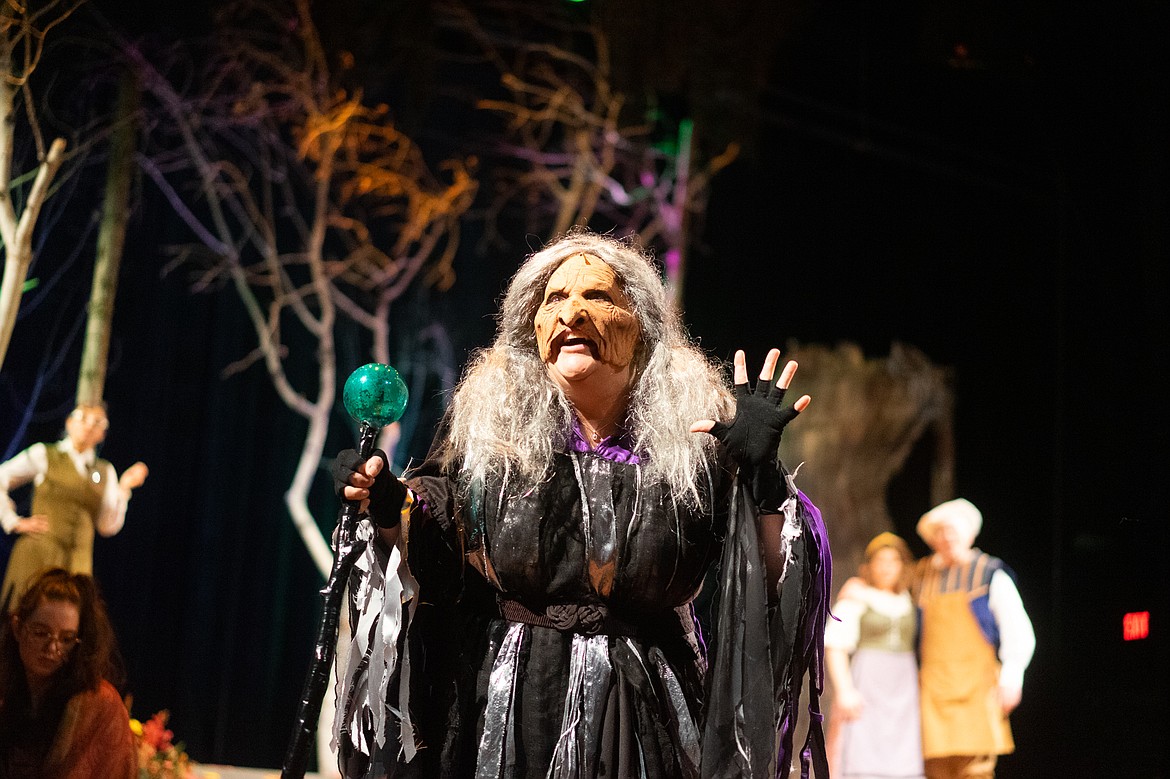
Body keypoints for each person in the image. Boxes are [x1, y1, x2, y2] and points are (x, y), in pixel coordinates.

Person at [331, 230, 833, 778]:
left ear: (640, 326)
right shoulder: (487, 433)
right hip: (506, 708)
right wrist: (383, 499)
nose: (571, 313)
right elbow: (434, 528)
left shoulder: (696, 440)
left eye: (598, 296)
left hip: (646, 711)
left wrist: (761, 478)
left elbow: (770, 578)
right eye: (554, 299)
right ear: (534, 329)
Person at [913, 498, 1035, 779]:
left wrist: (1012, 677)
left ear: (970, 534)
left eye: (954, 532)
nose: (947, 539)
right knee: (935, 768)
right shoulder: (921, 575)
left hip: (978, 687)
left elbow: (1017, 628)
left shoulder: (989, 573)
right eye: (941, 533)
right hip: (933, 689)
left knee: (976, 769)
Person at [0, 404, 148, 610]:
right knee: (26, 617)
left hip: (77, 565)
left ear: (102, 434)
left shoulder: (104, 471)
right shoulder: (45, 454)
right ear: (69, 423)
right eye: (82, 418)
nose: (88, 426)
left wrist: (124, 488)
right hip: (38, 555)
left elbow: (106, 527)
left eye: (97, 422)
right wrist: (12, 521)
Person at [0, 567, 137, 778]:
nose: (53, 648)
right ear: (18, 628)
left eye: (66, 639)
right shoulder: (6, 689)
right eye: (41, 633)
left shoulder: (99, 704)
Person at [824, 531, 924, 779]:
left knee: (903, 752)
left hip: (903, 684)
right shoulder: (856, 597)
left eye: (893, 561)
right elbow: (835, 645)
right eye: (880, 561)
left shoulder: (909, 600)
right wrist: (845, 690)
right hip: (869, 679)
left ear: (903, 565)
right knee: (863, 745)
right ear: (869, 567)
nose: (887, 568)